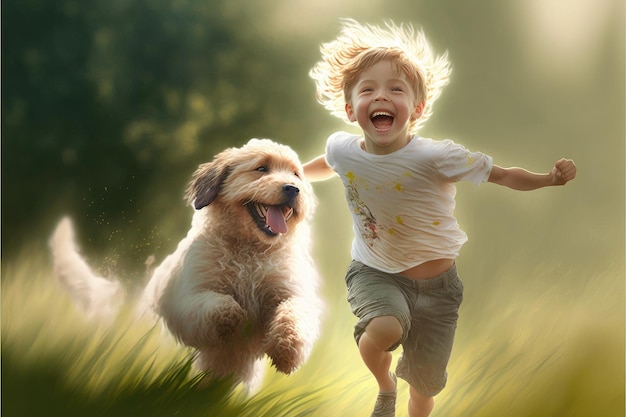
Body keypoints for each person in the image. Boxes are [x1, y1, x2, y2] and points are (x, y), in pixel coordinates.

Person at [302, 19, 577, 417]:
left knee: (426, 390)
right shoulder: (342, 149)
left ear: (416, 109)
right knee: (382, 331)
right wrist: (287, 173)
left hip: (439, 289)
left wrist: (549, 179)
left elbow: (502, 175)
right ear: (350, 109)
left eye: (395, 89)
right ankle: (385, 387)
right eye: (368, 89)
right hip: (375, 272)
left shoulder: (436, 157)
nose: (381, 96)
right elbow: (323, 164)